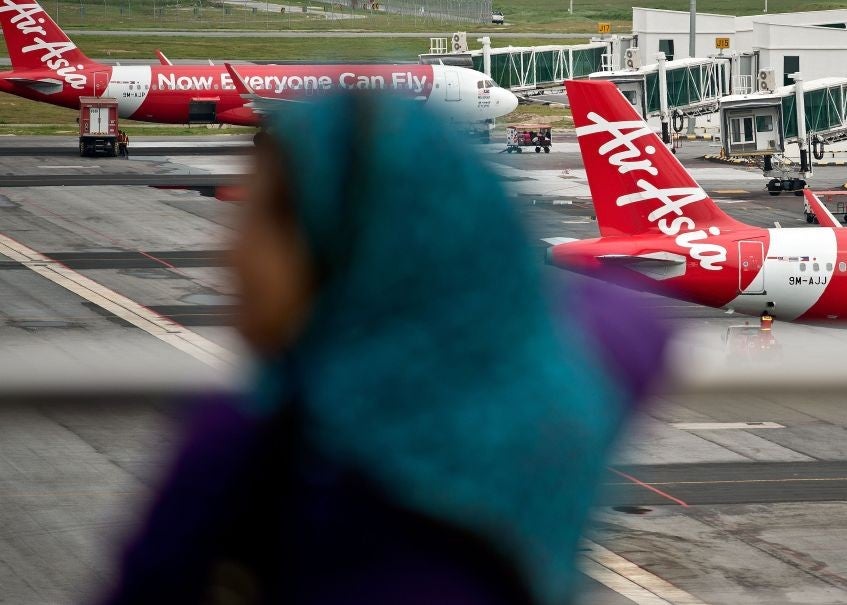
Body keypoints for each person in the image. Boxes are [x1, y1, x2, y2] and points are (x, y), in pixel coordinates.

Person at [102, 93, 666, 605]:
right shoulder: (569, 385)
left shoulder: (254, 439)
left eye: (266, 222)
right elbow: (630, 316)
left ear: (352, 251)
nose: (233, 254)